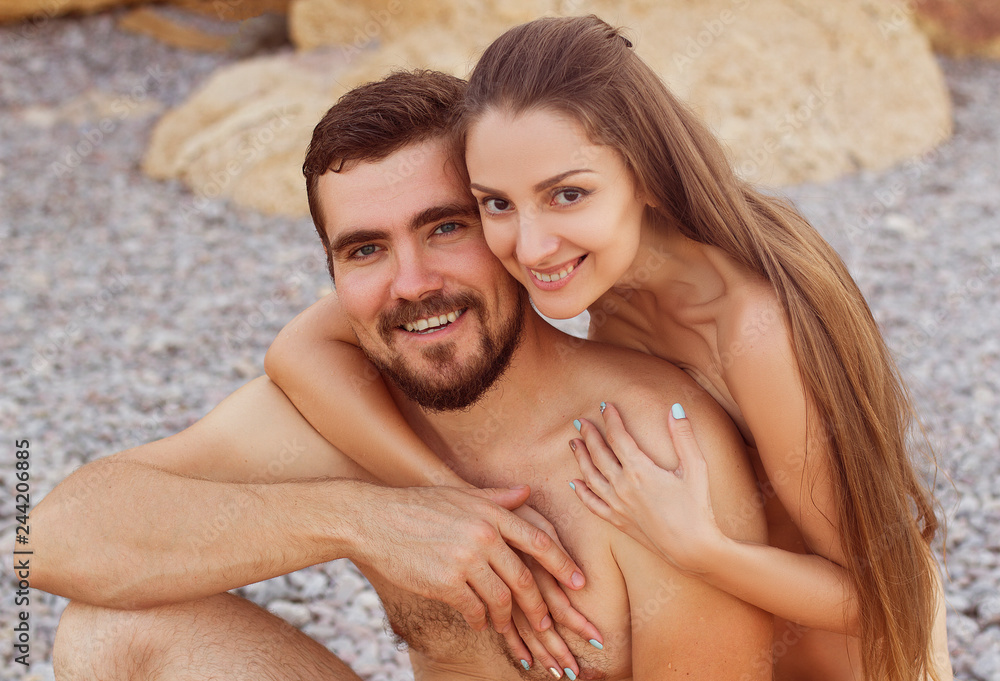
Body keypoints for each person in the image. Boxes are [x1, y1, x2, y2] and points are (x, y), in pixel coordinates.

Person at [264, 14, 950, 681]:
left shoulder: (752, 331)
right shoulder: (586, 267)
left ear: (646, 174)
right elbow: (301, 348)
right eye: (495, 204)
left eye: (567, 194)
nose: (530, 245)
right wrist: (448, 497)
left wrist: (703, 550)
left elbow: (888, 597)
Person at [33, 69, 772, 680]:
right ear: (333, 275)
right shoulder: (347, 415)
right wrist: (364, 519)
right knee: (107, 632)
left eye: (444, 228)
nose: (412, 283)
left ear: (504, 226)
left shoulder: (647, 449)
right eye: (365, 250)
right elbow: (53, 536)